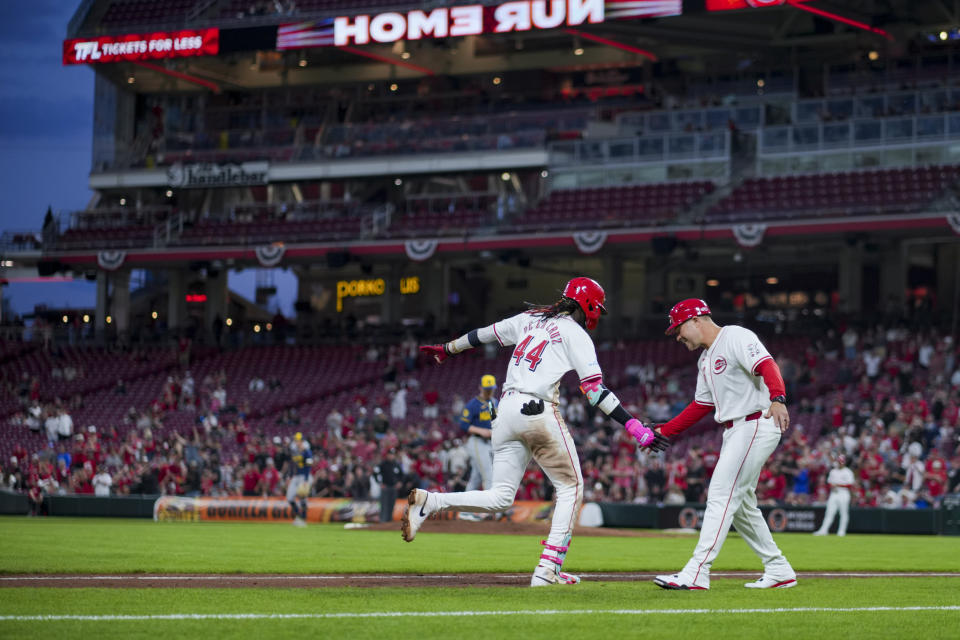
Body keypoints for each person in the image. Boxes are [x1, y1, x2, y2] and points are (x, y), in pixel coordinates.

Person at [402, 277, 669, 586]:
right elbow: (594, 392)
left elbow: (483, 335)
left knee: (501, 497)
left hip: (505, 412)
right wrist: (633, 426)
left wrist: (448, 349)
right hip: (537, 410)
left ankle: (431, 502)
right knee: (571, 488)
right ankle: (548, 569)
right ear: (590, 306)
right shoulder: (575, 334)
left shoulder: (530, 319)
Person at [649, 298, 797, 591]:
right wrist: (663, 430)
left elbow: (767, 365)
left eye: (679, 329)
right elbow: (700, 406)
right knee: (741, 505)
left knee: (720, 494)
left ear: (696, 320)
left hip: (756, 421)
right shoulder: (704, 360)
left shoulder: (735, 336)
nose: (677, 336)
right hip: (736, 429)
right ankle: (779, 569)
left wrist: (778, 398)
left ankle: (697, 572)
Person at [460, 375, 499, 493]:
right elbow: (463, 424)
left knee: (475, 479)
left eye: (491, 389)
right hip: (477, 442)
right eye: (487, 389)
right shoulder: (473, 404)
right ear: (480, 388)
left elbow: (494, 420)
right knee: (489, 474)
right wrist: (481, 431)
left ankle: (465, 511)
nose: (489, 391)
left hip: (490, 443)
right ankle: (491, 509)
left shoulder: (493, 402)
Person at [814, 454, 854, 536]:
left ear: (844, 462)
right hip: (834, 493)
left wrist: (838, 485)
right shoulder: (833, 471)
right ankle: (823, 530)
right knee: (829, 512)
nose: (840, 463)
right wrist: (832, 486)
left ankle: (841, 531)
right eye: (839, 461)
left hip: (843, 493)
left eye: (841, 462)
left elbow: (850, 485)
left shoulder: (848, 472)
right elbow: (828, 483)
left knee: (843, 513)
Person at [285, 433, 312, 527]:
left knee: (302, 497)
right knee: (289, 497)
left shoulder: (307, 451)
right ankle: (299, 516)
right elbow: (292, 465)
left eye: (298, 440)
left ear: (302, 441)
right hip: (295, 476)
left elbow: (308, 466)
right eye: (296, 440)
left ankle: (303, 519)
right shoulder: (294, 450)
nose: (297, 442)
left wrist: (306, 479)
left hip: (304, 476)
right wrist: (289, 476)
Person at [375, 448, 403, 523]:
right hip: (385, 487)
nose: (391, 456)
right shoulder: (382, 464)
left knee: (391, 504)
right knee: (384, 504)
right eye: (390, 454)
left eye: (393, 455)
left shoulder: (396, 464)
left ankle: (389, 521)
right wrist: (380, 483)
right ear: (387, 455)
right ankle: (382, 521)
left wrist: (400, 482)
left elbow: (402, 475)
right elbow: (376, 473)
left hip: (393, 488)